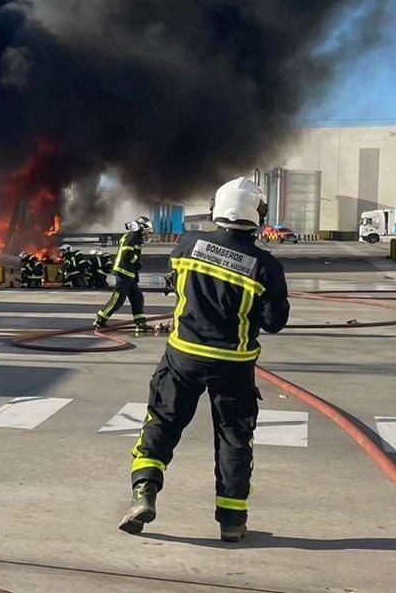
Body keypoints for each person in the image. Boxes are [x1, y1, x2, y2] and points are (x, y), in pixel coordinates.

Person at [117, 177, 290, 543]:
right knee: (233, 439)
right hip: (234, 364)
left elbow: (177, 283)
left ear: (218, 209)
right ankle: (231, 521)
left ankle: (143, 493)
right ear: (257, 215)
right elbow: (275, 322)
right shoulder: (265, 266)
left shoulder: (188, 245)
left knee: (162, 422)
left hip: (184, 356)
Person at [93, 216, 152, 332]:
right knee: (118, 299)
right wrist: (137, 261)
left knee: (137, 298)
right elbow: (127, 253)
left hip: (130, 273)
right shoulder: (132, 236)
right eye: (146, 230)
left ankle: (140, 322)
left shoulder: (136, 237)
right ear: (141, 227)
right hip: (123, 272)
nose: (147, 233)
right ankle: (100, 319)